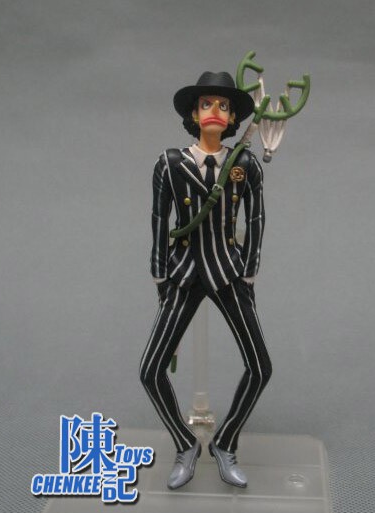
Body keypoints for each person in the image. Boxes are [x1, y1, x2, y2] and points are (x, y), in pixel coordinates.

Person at [139, 70, 272, 490]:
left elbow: (256, 218)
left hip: (228, 271)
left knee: (260, 367)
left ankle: (225, 441)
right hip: (183, 272)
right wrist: (160, 274)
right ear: (195, 115)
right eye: (207, 104)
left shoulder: (245, 164)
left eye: (224, 105)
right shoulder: (170, 163)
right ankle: (185, 444)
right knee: (151, 370)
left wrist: (249, 269)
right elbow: (159, 220)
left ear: (232, 118)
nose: (215, 111)